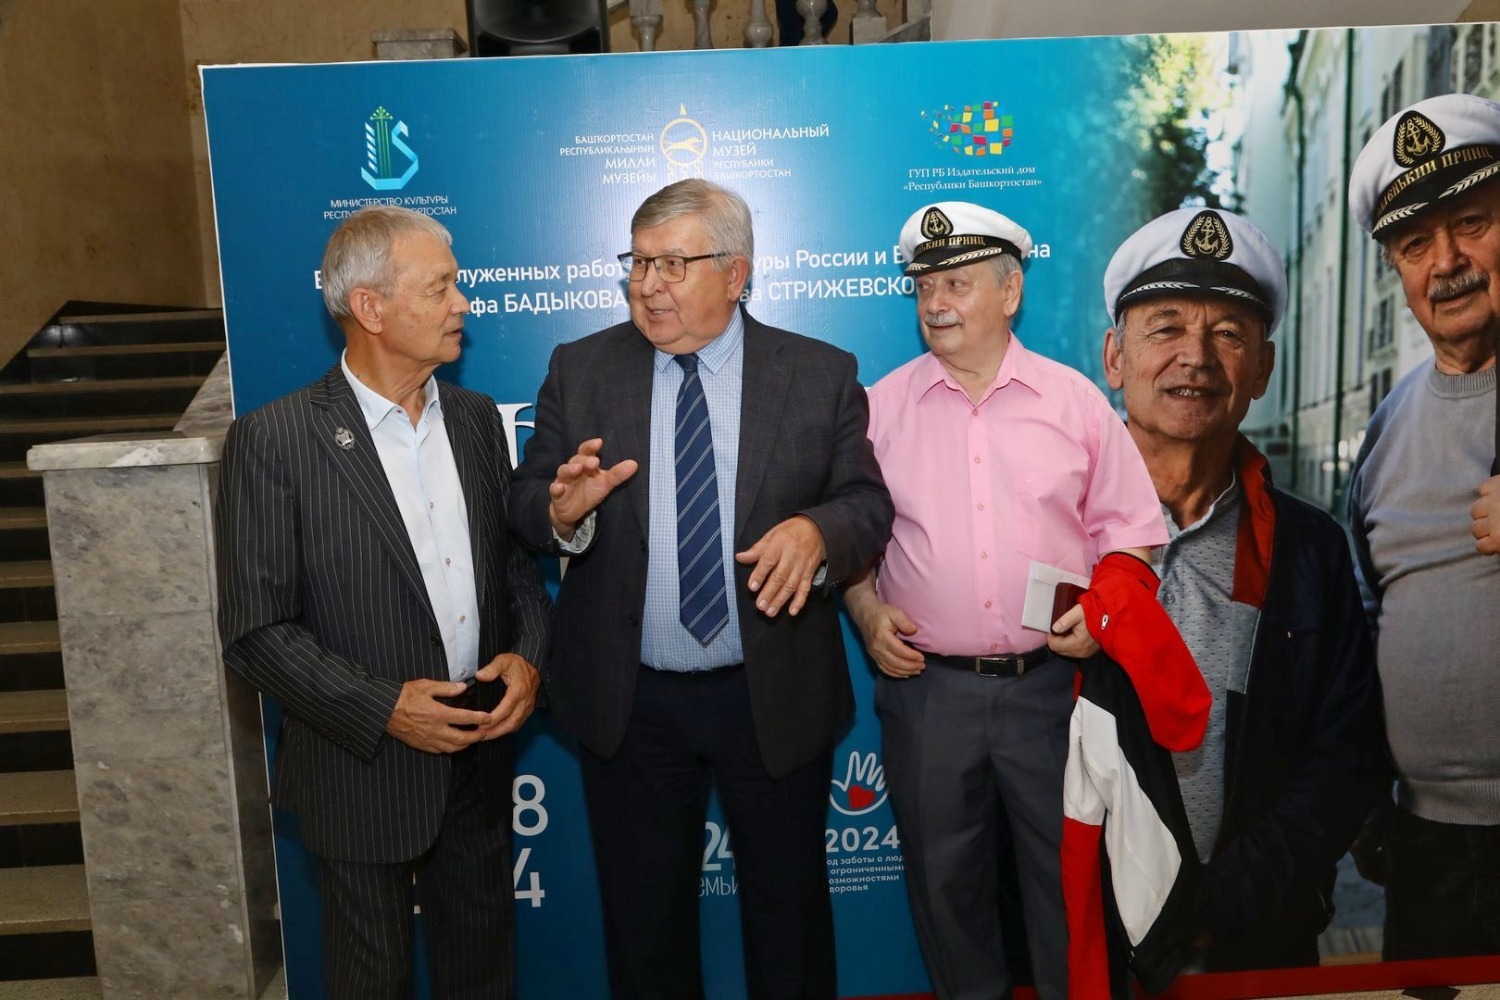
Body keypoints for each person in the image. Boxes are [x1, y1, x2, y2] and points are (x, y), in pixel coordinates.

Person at [508, 178, 893, 999]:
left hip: (772, 692)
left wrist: (818, 531)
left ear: (736, 273)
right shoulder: (582, 368)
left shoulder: (819, 373)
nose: (649, 284)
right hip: (631, 702)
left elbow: (867, 505)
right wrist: (561, 511)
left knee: (789, 928)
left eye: (673, 264)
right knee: (645, 935)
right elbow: (529, 499)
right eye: (639, 262)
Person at [216, 205, 550, 999]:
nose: (463, 303)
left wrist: (528, 658)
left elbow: (514, 571)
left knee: (484, 977)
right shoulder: (276, 439)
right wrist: (385, 708)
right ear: (369, 307)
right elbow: (257, 631)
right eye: (440, 288)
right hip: (359, 768)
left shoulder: (474, 419)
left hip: (477, 758)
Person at [842, 201, 1173, 999]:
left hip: (1053, 693)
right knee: (946, 897)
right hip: (929, 696)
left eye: (956, 283)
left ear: (1010, 291)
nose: (935, 303)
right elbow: (845, 539)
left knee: (1069, 894)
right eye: (923, 286)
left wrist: (1100, 616)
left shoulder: (1074, 403)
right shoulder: (878, 410)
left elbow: (1133, 535)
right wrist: (864, 607)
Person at [1101, 206, 1388, 971]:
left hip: (1257, 943)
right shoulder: (1052, 527)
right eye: (1165, 327)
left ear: (1262, 369)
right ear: (1115, 357)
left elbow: (1347, 753)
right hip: (1083, 947)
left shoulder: (1309, 550)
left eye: (1228, 333)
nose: (1195, 357)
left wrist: (1219, 901)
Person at [1347, 92, 1500, 961]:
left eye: (1472, 223)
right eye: (1415, 244)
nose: (1447, 263)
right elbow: (1370, 619)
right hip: (1425, 843)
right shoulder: (1387, 428)